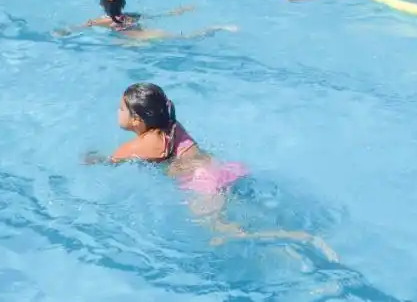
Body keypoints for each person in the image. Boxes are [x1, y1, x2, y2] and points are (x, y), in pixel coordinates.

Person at [84, 83, 336, 259]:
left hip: (202, 183)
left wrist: (92, 159)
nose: (117, 112)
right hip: (222, 170)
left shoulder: (146, 143)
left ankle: (300, 238)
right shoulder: (172, 125)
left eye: (120, 109)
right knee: (237, 220)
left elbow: (111, 160)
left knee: (221, 233)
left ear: (136, 120)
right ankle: (289, 247)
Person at [56, 0, 228, 40]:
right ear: (124, 2)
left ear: (101, 3)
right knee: (186, 38)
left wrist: (62, 31)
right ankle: (216, 27)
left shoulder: (98, 21)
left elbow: (76, 27)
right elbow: (160, 15)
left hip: (133, 41)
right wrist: (181, 10)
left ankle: (216, 27)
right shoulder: (132, 16)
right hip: (147, 35)